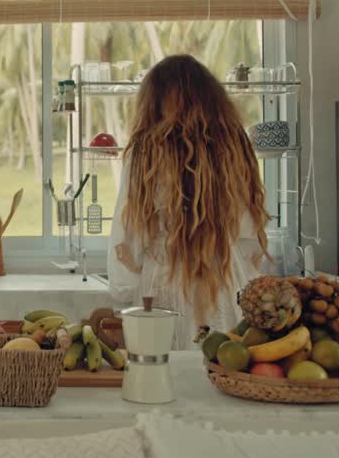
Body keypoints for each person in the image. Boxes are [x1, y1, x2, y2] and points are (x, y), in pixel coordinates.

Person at [107, 54, 270, 349]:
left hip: (163, 282)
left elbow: (130, 230)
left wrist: (125, 288)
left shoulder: (145, 151)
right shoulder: (235, 145)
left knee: (162, 368)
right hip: (222, 279)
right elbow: (248, 232)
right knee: (221, 363)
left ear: (154, 100)